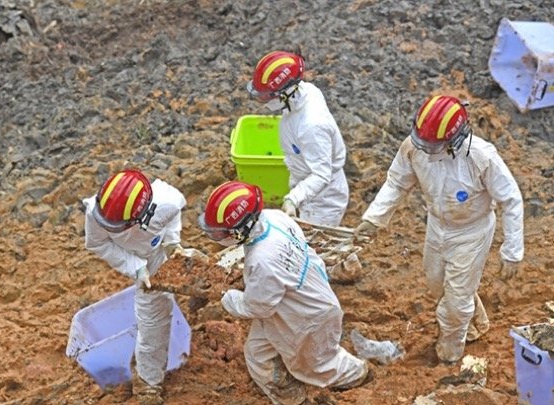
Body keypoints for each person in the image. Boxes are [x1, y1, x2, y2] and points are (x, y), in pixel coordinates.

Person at [354, 95, 524, 363]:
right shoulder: (414, 148)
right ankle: (475, 319)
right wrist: (374, 218)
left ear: (456, 139)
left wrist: (512, 251)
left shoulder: (481, 157)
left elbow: (511, 199)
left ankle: (451, 352)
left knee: (454, 304)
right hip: (436, 226)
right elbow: (397, 183)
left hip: (471, 233)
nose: (427, 151)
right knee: (438, 286)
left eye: (434, 146)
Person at [198, 180, 370, 404]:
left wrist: (225, 296)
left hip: (304, 317)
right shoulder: (273, 217)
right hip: (291, 301)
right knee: (259, 355)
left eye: (222, 233)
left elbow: (256, 306)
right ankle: (292, 398)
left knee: (317, 366)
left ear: (241, 230)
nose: (219, 237)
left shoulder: (262, 260)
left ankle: (360, 374)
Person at [83, 169, 186, 404]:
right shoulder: (96, 213)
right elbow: (97, 244)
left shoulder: (166, 202)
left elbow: (174, 214)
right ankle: (149, 385)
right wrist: (136, 267)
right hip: (141, 261)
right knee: (152, 324)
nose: (109, 227)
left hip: (159, 252)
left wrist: (172, 243)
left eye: (116, 226)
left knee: (199, 274)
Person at [247, 50, 349, 227]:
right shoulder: (305, 92)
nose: (263, 99)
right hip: (306, 186)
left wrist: (293, 199)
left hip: (323, 200)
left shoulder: (312, 126)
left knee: (314, 247)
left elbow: (321, 175)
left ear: (287, 92)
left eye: (267, 95)